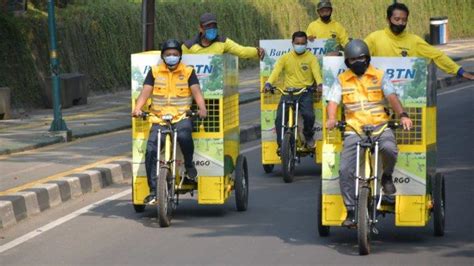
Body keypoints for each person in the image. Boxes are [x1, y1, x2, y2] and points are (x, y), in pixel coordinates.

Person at [325, 39, 413, 227]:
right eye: (353, 59)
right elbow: (332, 101)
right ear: (347, 62)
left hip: (380, 126)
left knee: (390, 148)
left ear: (367, 58)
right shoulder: (341, 80)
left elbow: (391, 97)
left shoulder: (380, 76)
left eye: (361, 58)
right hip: (354, 129)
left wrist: (403, 115)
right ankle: (350, 210)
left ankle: (387, 176)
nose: (357, 62)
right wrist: (331, 118)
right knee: (345, 169)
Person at [132, 39, 207, 204]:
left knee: (184, 136)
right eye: (168, 54)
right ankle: (153, 191)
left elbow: (197, 92)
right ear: (163, 56)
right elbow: (145, 93)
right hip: (159, 118)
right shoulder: (155, 71)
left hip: (181, 116)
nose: (171, 57)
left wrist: (202, 108)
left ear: (180, 56)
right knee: (151, 150)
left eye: (175, 54)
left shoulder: (188, 71)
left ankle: (188, 165)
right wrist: (137, 108)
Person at [364, 2, 474, 80]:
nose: (401, 23)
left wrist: (460, 71)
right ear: (388, 20)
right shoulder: (374, 38)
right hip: (379, 95)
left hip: (407, 98)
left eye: (404, 20)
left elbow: (437, 56)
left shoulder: (414, 41)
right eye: (397, 19)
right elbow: (358, 56)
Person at [264, 31, 323, 151]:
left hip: (305, 92)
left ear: (306, 44)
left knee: (309, 115)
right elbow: (276, 72)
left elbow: (316, 73)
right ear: (292, 43)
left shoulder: (311, 58)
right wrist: (268, 83)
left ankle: (308, 135)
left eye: (302, 43)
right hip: (288, 93)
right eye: (297, 43)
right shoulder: (285, 58)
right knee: (279, 118)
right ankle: (281, 145)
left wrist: (320, 84)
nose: (300, 45)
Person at [182, 12, 265, 59]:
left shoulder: (223, 42)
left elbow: (241, 51)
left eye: (214, 26)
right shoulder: (188, 46)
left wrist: (256, 51)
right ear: (200, 28)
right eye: (208, 26)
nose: (212, 29)